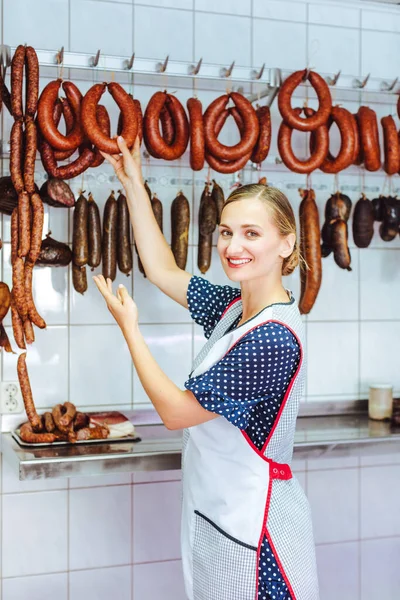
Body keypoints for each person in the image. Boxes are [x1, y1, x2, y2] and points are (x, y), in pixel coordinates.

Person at [94, 136, 319, 600]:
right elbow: (162, 270)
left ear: (287, 243)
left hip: (258, 537)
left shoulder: (272, 337)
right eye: (225, 231)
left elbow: (176, 413)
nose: (232, 245)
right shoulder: (235, 308)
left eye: (251, 234)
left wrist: (131, 330)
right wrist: (133, 183)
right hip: (222, 515)